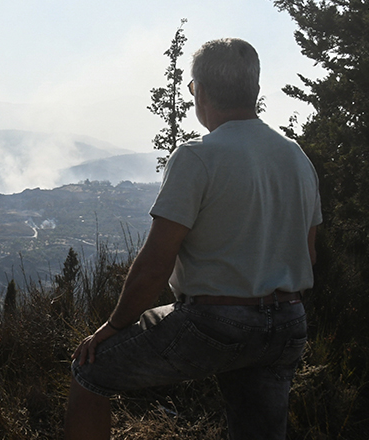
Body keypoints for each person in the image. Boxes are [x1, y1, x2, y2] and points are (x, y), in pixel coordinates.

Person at [64, 38, 321, 440]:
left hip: (215, 323)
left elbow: (154, 264)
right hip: (288, 322)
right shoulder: (297, 158)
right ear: (254, 89)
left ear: (199, 91)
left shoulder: (198, 156)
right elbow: (308, 253)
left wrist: (113, 327)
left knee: (89, 371)